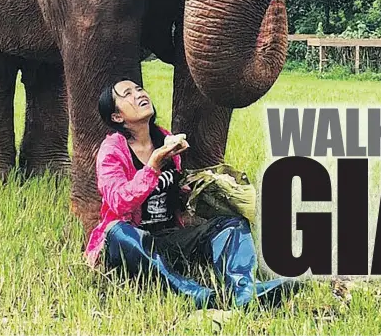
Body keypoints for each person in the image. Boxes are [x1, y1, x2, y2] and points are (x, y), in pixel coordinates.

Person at [85, 78, 290, 309]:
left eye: (139, 88)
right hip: (133, 246)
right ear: (117, 116)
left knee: (231, 224)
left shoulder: (165, 139)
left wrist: (204, 189)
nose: (139, 94)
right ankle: (193, 293)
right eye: (127, 94)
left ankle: (244, 289)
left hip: (168, 238)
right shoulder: (112, 150)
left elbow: (173, 196)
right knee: (117, 232)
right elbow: (118, 202)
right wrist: (152, 166)